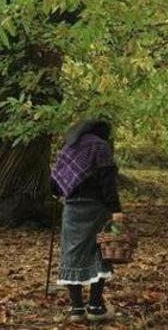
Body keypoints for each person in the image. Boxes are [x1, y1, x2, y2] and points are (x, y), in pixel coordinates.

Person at [51, 119, 121, 323]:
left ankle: (76, 309)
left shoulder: (68, 148)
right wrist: (116, 209)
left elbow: (54, 185)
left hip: (72, 209)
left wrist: (59, 191)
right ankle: (96, 307)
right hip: (97, 208)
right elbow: (107, 180)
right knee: (100, 252)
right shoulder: (101, 147)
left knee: (71, 254)